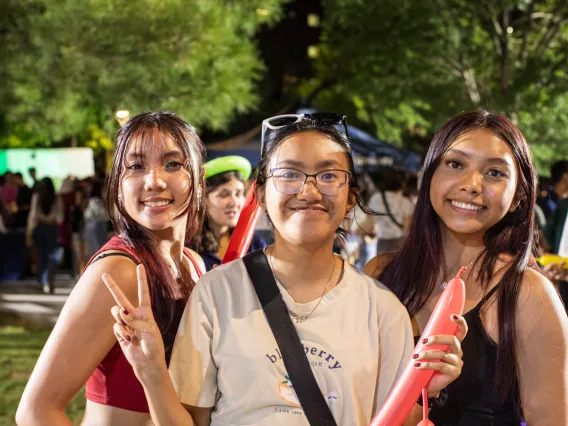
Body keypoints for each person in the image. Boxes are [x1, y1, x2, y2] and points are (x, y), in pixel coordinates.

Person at [102, 115, 467, 425]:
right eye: (289, 175)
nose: (308, 191)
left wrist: (424, 390)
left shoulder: (383, 311)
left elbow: (392, 420)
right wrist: (150, 369)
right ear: (259, 194)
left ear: (351, 196)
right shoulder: (217, 293)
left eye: (328, 176)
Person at [365, 110, 568, 425]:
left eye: (495, 173)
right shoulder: (380, 275)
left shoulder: (529, 297)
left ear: (519, 196)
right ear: (428, 174)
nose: (472, 184)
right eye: (455, 164)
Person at [17, 112, 206, 425]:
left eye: (173, 163)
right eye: (135, 166)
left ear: (197, 179)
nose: (154, 180)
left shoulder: (193, 264)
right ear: (119, 186)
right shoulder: (121, 270)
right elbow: (36, 412)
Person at [195, 155, 266, 271]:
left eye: (239, 194)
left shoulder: (255, 244)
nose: (234, 202)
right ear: (203, 200)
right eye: (224, 194)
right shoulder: (189, 248)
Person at [26, 177, 64, 294]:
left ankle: (42, 281)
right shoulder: (57, 198)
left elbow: (33, 215)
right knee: (52, 257)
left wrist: (29, 232)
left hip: (39, 228)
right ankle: (49, 279)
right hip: (51, 229)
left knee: (40, 256)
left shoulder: (37, 197)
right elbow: (60, 218)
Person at [369, 167, 414, 254]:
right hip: (398, 242)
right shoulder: (405, 202)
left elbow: (372, 220)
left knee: (382, 267)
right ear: (401, 184)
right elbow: (407, 228)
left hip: (382, 241)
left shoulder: (375, 198)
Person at [83, 180, 109, 259]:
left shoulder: (91, 201)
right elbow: (106, 215)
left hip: (91, 227)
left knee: (93, 250)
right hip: (97, 227)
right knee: (98, 250)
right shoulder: (96, 201)